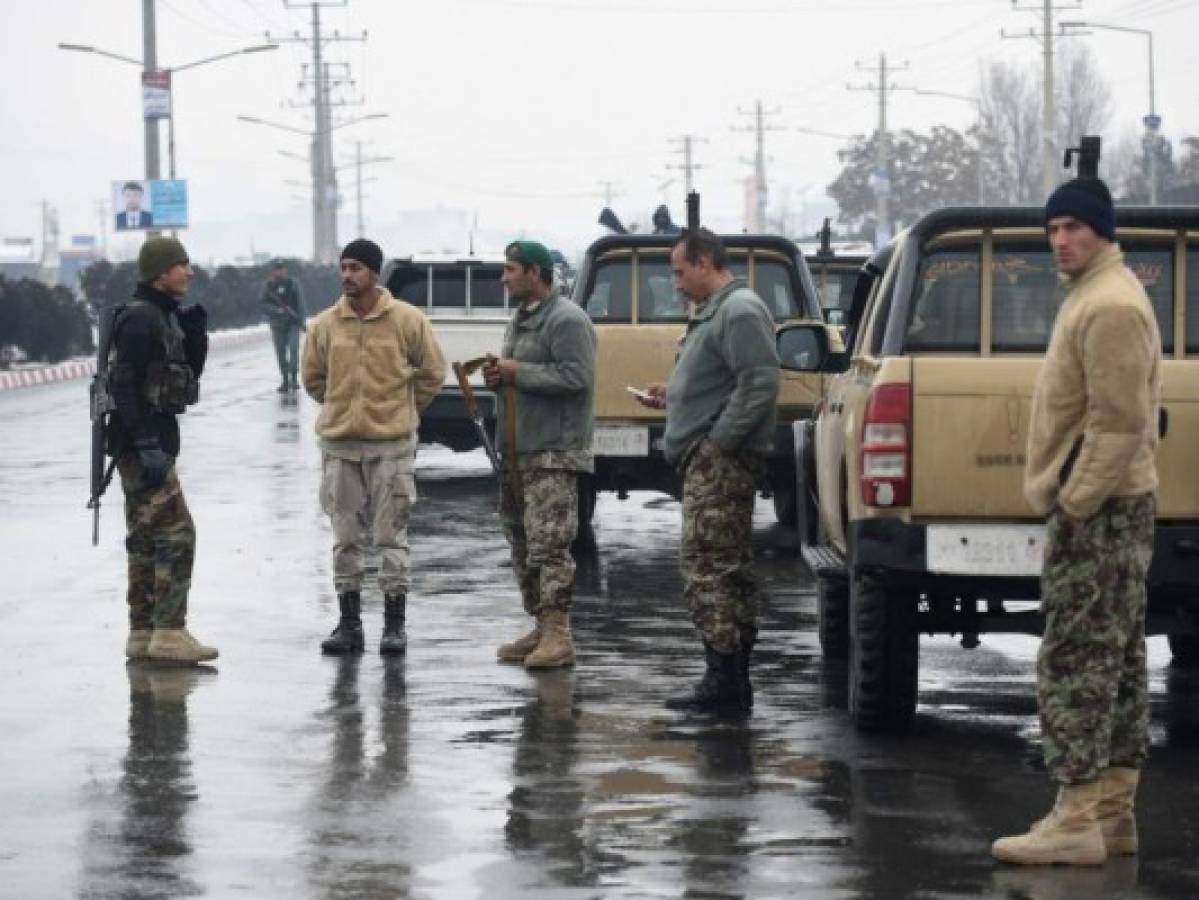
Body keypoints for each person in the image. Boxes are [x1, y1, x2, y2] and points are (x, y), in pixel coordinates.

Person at [993, 176, 1161, 866]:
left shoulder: (1109, 305)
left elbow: (1118, 423)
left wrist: (1074, 501)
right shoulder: (1095, 296)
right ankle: (1112, 815)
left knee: (1075, 659)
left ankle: (1074, 818)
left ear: (1102, 231)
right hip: (1115, 508)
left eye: (1074, 228)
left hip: (1102, 512)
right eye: (1053, 228)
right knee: (1115, 660)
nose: (1060, 240)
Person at [636, 228, 779, 715]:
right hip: (709, 457)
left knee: (709, 568)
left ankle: (725, 681)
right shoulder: (716, 313)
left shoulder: (738, 311)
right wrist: (672, 392)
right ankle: (728, 678)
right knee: (720, 566)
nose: (676, 283)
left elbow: (759, 384)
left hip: (720, 463)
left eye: (680, 271)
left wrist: (718, 443)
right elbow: (721, 380)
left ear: (704, 264)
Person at [301, 239, 447, 655]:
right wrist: (341, 409)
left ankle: (394, 625)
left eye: (356, 268)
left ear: (374, 274)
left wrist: (401, 410)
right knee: (345, 538)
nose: (348, 275)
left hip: (391, 448)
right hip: (340, 447)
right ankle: (349, 624)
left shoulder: (407, 321)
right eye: (344, 267)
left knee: (391, 536)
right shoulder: (326, 325)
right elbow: (313, 378)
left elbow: (433, 372)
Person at [487, 240, 596, 670]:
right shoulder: (522, 318)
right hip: (519, 450)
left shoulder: (567, 320)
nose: (503, 277)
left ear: (535, 272)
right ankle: (539, 623)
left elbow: (577, 377)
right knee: (521, 539)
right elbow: (522, 376)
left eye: (510, 269)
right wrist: (501, 377)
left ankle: (558, 632)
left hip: (553, 450)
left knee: (550, 545)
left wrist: (519, 372)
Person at [108, 236, 216, 664]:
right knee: (177, 534)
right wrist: (146, 444)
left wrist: (196, 339)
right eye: (182, 265)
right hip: (142, 445)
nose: (189, 272)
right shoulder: (140, 319)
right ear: (160, 272)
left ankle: (144, 631)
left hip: (147, 442)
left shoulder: (160, 315)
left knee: (146, 539)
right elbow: (123, 385)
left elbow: (182, 381)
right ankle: (169, 631)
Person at [261, 259, 307, 392]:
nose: (280, 271)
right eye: (277, 269)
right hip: (277, 324)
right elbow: (263, 304)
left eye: (282, 269)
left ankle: (293, 377)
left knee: (293, 350)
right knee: (281, 354)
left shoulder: (293, 284)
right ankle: (285, 380)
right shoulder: (268, 286)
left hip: (293, 323)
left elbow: (301, 303)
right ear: (273, 271)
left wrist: (301, 321)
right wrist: (276, 310)